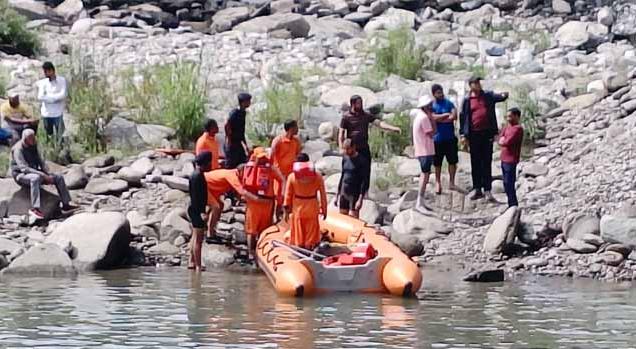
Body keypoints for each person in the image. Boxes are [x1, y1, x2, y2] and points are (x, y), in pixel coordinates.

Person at [9, 129, 78, 219]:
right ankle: (35, 208)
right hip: (20, 175)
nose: (33, 140)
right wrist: (42, 175)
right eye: (31, 138)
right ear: (25, 139)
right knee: (35, 178)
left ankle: (66, 204)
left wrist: (47, 173)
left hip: (35, 171)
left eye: (34, 138)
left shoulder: (33, 145)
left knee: (58, 177)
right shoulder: (18, 149)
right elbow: (24, 168)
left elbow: (40, 161)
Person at [459, 76, 508, 201]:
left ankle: (487, 190)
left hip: (487, 133)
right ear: (470, 85)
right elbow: (463, 117)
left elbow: (500, 97)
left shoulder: (488, 95)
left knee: (486, 161)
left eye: (479, 82)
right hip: (474, 135)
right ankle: (477, 189)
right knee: (475, 162)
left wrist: (504, 95)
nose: (479, 84)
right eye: (476, 83)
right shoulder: (467, 100)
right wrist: (463, 135)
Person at [338, 95, 401, 191]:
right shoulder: (346, 117)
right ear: (353, 104)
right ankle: (344, 190)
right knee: (348, 170)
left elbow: (379, 123)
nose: (360, 105)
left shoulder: (366, 115)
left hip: (363, 148)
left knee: (366, 170)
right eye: (358, 103)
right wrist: (341, 147)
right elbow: (341, 133)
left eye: (361, 103)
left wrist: (393, 128)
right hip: (351, 149)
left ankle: (364, 193)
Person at [244, 147, 285, 261]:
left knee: (265, 228)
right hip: (253, 204)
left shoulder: (270, 168)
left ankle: (261, 251)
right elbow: (243, 188)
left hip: (268, 202)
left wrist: (280, 197)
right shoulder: (249, 169)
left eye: (264, 157)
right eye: (260, 158)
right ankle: (250, 252)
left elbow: (282, 180)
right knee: (251, 230)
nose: (263, 160)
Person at [204, 165, 263, 243]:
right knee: (216, 207)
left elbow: (239, 191)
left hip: (210, 187)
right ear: (241, 171)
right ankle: (210, 235)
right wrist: (257, 199)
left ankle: (208, 227)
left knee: (220, 205)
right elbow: (242, 191)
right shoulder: (232, 176)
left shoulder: (235, 175)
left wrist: (240, 200)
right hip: (203, 185)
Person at [283, 153, 328, 250]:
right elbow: (323, 195)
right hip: (312, 208)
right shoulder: (318, 176)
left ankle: (299, 250)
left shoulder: (292, 176)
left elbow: (287, 196)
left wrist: (286, 212)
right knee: (311, 235)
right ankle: (310, 250)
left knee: (299, 234)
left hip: (298, 209)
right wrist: (324, 210)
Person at [430, 84, 459, 195]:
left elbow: (454, 116)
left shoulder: (449, 103)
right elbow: (432, 117)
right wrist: (446, 115)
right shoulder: (432, 105)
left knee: (452, 161)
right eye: (438, 92)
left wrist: (440, 118)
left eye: (441, 92)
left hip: (450, 137)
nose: (440, 94)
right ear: (434, 94)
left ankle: (452, 182)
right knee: (437, 163)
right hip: (437, 139)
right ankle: (438, 182)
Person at [188, 151, 213, 271]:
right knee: (198, 239)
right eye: (209, 163)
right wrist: (202, 212)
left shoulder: (194, 174)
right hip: (197, 210)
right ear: (206, 163)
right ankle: (198, 266)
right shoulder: (199, 176)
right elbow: (198, 197)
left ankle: (192, 262)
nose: (210, 166)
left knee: (194, 236)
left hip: (193, 209)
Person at [412, 96, 437, 213]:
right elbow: (432, 133)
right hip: (425, 150)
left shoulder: (419, 116)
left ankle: (421, 201)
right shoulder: (424, 118)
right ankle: (419, 201)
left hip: (422, 150)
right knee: (425, 175)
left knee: (425, 174)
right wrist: (434, 121)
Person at [270, 119, 301, 214]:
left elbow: (298, 156)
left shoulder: (296, 141)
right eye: (296, 127)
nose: (298, 129)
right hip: (279, 175)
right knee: (278, 197)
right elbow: (272, 157)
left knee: (289, 197)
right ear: (291, 128)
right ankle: (276, 218)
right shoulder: (278, 141)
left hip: (291, 175)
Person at [336, 139, 369, 218]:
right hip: (344, 191)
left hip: (354, 193)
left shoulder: (362, 161)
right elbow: (342, 175)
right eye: (344, 149)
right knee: (342, 217)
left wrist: (360, 199)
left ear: (353, 147)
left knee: (353, 218)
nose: (346, 151)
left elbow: (364, 181)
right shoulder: (345, 158)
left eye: (348, 149)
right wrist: (337, 194)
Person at [498, 108, 524, 207]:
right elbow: (501, 137)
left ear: (516, 116)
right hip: (504, 158)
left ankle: (513, 205)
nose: (508, 119)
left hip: (511, 160)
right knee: (505, 183)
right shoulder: (507, 127)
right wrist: (502, 140)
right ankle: (510, 204)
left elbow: (507, 141)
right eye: (507, 116)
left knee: (509, 183)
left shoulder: (518, 129)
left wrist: (503, 141)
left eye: (510, 116)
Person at [36, 62, 67, 142]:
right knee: (49, 135)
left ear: (52, 71)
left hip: (58, 112)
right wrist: (55, 98)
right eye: (45, 72)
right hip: (47, 113)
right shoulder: (43, 83)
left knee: (60, 134)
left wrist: (49, 98)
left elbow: (63, 95)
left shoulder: (62, 80)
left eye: (47, 71)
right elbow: (40, 97)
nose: (46, 74)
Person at [224, 93, 251, 169]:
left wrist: (245, 145)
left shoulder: (243, 113)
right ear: (243, 102)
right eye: (248, 101)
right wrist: (229, 138)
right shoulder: (235, 112)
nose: (249, 103)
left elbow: (241, 130)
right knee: (231, 165)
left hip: (238, 142)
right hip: (232, 143)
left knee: (243, 162)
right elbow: (227, 124)